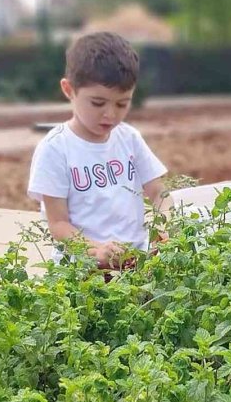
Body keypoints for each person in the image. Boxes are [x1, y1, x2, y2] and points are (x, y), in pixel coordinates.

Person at [28, 32, 169, 268]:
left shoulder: (129, 138)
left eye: (122, 104)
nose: (110, 114)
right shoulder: (55, 148)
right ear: (69, 90)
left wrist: (163, 228)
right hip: (82, 270)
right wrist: (95, 251)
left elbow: (160, 194)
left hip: (136, 264)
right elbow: (59, 224)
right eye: (97, 103)